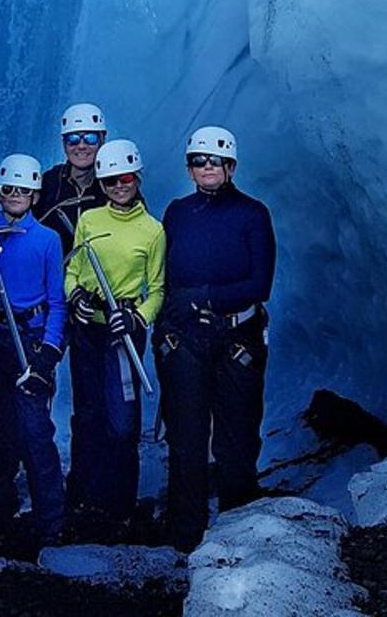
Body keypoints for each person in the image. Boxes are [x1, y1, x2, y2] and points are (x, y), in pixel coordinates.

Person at [156, 126, 276, 552]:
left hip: (235, 336)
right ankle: (185, 534)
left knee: (236, 438)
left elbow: (259, 283)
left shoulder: (252, 214)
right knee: (186, 438)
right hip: (186, 339)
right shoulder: (177, 212)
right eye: (198, 161)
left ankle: (238, 528)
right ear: (189, 168)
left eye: (214, 161)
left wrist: (204, 297)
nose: (206, 168)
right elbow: (163, 275)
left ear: (231, 167)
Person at [0, 154, 68, 545]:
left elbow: (57, 301)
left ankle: (51, 521)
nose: (16, 196)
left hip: (32, 340)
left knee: (35, 430)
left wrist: (50, 351)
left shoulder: (47, 240)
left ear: (36, 194)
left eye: (24, 190)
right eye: (9, 189)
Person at [63, 139, 165, 526]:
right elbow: (72, 269)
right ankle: (83, 494)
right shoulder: (90, 221)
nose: (118, 186)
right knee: (87, 413)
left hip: (124, 333)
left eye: (125, 178)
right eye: (109, 181)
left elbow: (156, 290)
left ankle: (120, 504)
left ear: (136, 178)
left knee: (122, 421)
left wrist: (138, 317)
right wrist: (74, 296)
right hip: (89, 327)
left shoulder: (152, 231)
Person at [33, 103, 109, 253]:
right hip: (55, 273)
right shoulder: (49, 182)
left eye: (90, 138)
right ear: (63, 144)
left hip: (99, 274)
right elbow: (17, 216)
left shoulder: (115, 185)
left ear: (102, 140)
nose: (81, 146)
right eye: (73, 139)